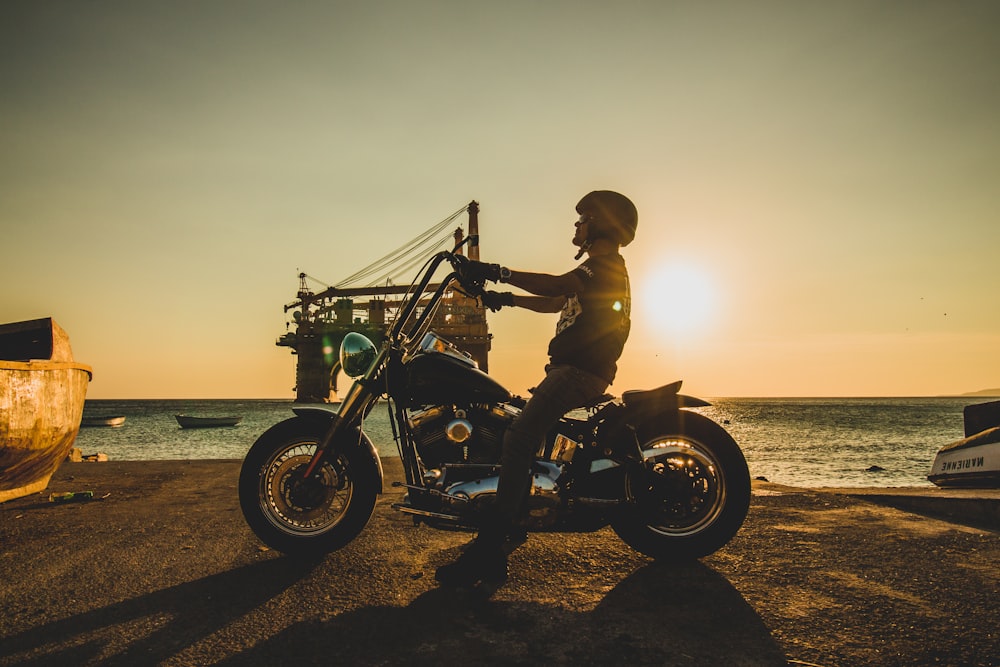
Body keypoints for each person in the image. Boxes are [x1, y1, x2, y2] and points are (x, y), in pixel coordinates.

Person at [435, 190, 637, 591]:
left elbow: (558, 284)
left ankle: (491, 544)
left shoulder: (606, 268)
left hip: (579, 372)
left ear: (601, 224)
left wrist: (498, 271)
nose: (577, 225)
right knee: (515, 423)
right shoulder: (600, 272)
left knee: (520, 436)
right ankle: (510, 522)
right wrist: (503, 299)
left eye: (583, 218)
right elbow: (557, 300)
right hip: (570, 370)